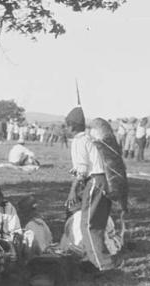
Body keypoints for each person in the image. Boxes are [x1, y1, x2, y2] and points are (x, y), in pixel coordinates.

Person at [64, 105, 115, 271]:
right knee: (97, 223)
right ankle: (92, 256)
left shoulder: (79, 141)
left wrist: (73, 190)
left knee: (88, 225)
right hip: (106, 180)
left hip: (95, 181)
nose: (65, 129)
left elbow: (82, 170)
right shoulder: (90, 139)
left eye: (66, 126)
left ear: (71, 126)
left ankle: (101, 265)